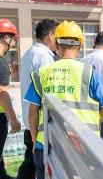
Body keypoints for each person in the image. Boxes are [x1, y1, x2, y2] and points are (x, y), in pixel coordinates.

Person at [25, 21, 103, 179]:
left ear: (57, 44)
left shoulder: (41, 73)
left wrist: (34, 140)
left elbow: (32, 111)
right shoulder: (89, 72)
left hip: (46, 144)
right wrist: (94, 123)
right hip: (81, 146)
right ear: (80, 45)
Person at [18, 19, 60, 179]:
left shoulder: (30, 52)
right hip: (39, 123)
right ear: (50, 35)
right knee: (34, 165)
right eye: (58, 35)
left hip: (30, 119)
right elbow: (46, 91)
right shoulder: (45, 57)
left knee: (30, 163)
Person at [0, 19, 21, 179]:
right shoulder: (1, 63)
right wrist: (13, 118)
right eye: (13, 38)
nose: (14, 42)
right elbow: (2, 93)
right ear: (6, 38)